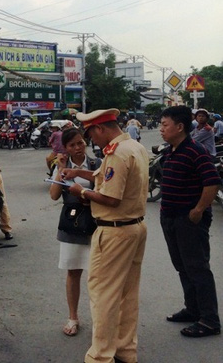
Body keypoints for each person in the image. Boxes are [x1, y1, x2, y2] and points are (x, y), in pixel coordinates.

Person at [62, 108, 148, 363]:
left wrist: (82, 192)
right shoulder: (133, 147)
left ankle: (100, 356)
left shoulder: (117, 153)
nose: (89, 142)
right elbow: (106, 180)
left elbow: (110, 197)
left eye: (89, 134)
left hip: (114, 231)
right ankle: (124, 350)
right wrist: (80, 173)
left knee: (104, 295)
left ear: (99, 128)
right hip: (134, 228)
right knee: (127, 294)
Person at [158, 105, 221, 338]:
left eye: (165, 125)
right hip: (170, 218)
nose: (161, 129)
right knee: (182, 267)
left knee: (197, 268)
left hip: (189, 220)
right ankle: (193, 309)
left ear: (180, 126)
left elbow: (212, 183)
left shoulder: (196, 150)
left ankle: (209, 320)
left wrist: (198, 210)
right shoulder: (171, 150)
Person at [49, 127, 101, 337]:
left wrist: (84, 189)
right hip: (72, 225)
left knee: (98, 275)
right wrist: (60, 171)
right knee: (73, 272)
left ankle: (100, 319)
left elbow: (106, 187)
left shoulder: (97, 164)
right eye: (72, 145)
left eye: (80, 143)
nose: (78, 148)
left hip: (96, 224)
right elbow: (53, 195)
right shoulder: (62, 167)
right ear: (66, 149)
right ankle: (73, 317)